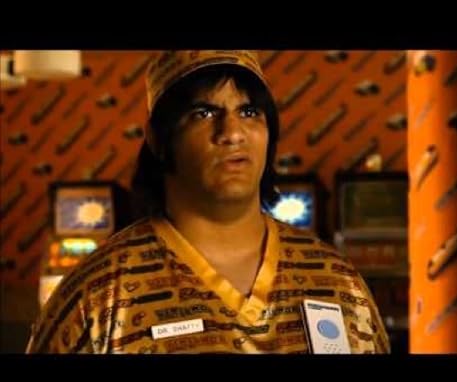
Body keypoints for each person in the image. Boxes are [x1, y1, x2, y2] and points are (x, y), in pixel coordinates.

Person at [26, 50, 390, 354]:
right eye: (203, 113)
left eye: (249, 112)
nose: (232, 133)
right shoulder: (97, 294)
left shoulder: (336, 279)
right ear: (157, 139)